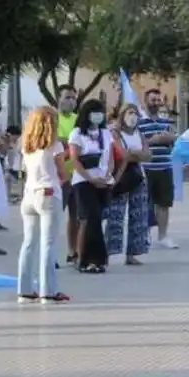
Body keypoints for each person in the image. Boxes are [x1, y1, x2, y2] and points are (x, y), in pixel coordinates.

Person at [17, 107, 70, 303]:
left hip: (29, 195)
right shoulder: (55, 146)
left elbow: (24, 172)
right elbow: (63, 174)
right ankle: (48, 290)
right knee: (48, 244)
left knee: (29, 243)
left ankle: (24, 289)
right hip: (48, 194)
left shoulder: (26, 146)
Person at [68, 99, 115, 274]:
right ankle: (84, 259)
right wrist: (90, 178)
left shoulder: (106, 133)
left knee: (97, 219)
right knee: (88, 218)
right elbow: (75, 160)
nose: (98, 115)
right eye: (95, 112)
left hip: (102, 180)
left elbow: (110, 158)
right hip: (83, 181)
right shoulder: (77, 134)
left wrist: (107, 176)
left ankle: (98, 259)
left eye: (100, 112)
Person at [104, 103, 151, 266]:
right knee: (115, 216)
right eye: (130, 112)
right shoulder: (114, 132)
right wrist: (137, 154)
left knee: (138, 216)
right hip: (121, 176)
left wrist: (134, 153)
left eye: (135, 113)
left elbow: (148, 155)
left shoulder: (139, 133)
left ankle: (132, 254)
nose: (133, 116)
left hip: (138, 177)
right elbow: (123, 154)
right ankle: (108, 252)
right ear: (122, 114)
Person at [137, 88, 178, 249]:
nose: (155, 103)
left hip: (165, 167)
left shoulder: (167, 122)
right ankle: (144, 235)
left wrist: (171, 138)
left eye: (157, 100)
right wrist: (154, 140)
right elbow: (136, 144)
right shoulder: (139, 122)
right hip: (146, 168)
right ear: (146, 101)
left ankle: (163, 236)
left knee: (164, 203)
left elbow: (175, 143)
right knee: (144, 204)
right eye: (152, 100)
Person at [56, 85, 78, 266]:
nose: (71, 101)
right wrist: (72, 142)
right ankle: (50, 254)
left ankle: (73, 251)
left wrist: (68, 142)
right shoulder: (52, 119)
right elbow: (56, 142)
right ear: (59, 99)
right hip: (59, 175)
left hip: (77, 174)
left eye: (73, 98)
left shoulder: (77, 119)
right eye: (67, 97)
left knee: (76, 216)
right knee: (54, 217)